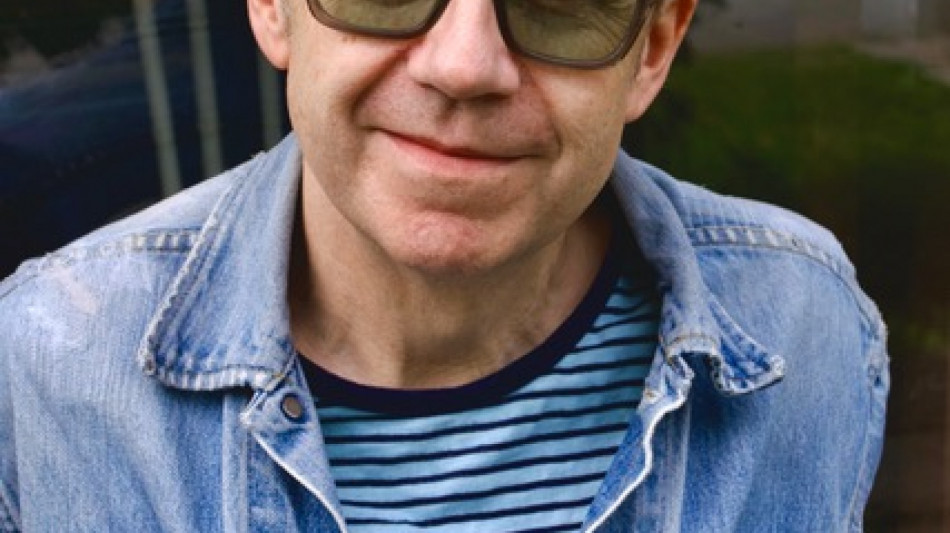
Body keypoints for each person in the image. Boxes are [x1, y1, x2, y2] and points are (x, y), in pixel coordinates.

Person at [0, 0, 889, 531]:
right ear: (273, 7)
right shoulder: (50, 366)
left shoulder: (804, 326)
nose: (465, 66)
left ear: (651, 48)